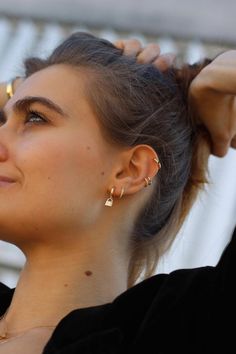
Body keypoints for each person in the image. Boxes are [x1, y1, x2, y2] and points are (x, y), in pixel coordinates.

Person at [0, 32, 235, 354]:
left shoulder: (182, 332)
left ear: (130, 171)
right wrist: (18, 88)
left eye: (36, 117)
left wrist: (217, 78)